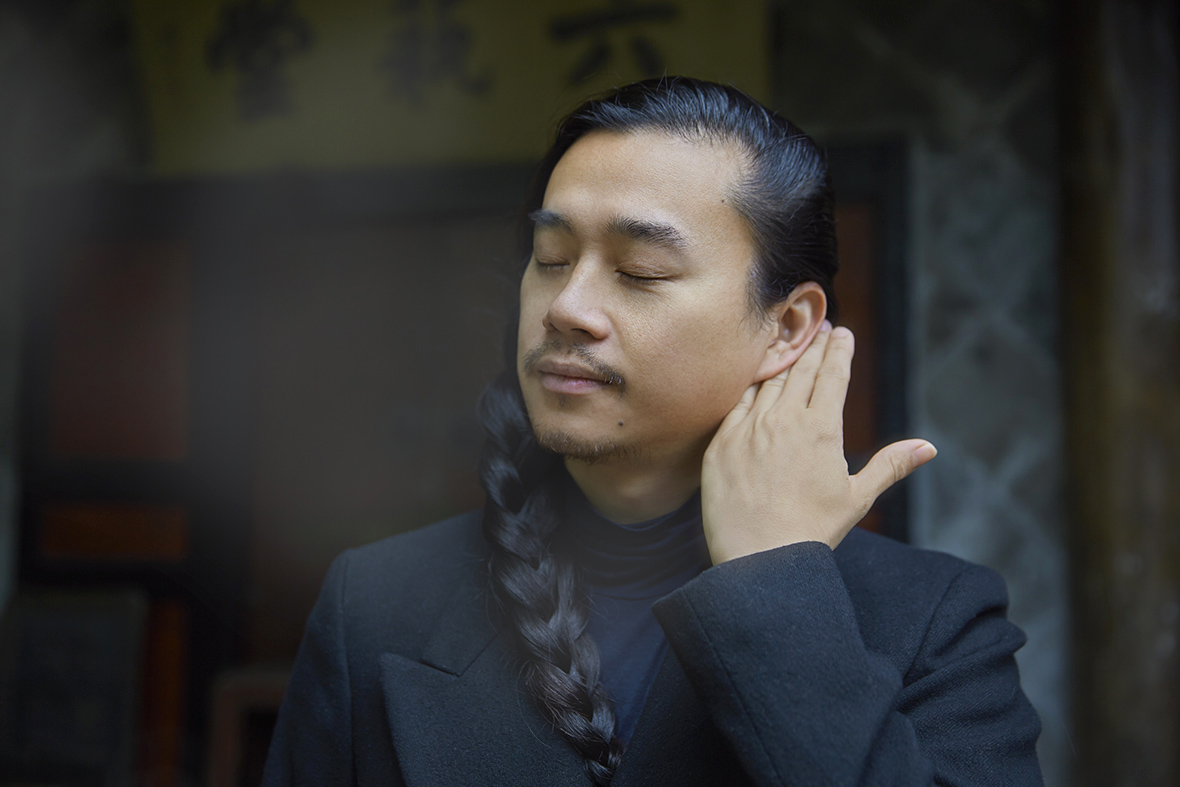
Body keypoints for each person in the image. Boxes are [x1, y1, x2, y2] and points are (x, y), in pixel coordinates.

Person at [262, 77, 1043, 786]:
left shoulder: (934, 621)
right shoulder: (376, 602)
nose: (566, 308)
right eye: (551, 257)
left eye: (639, 271)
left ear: (787, 326)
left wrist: (772, 585)